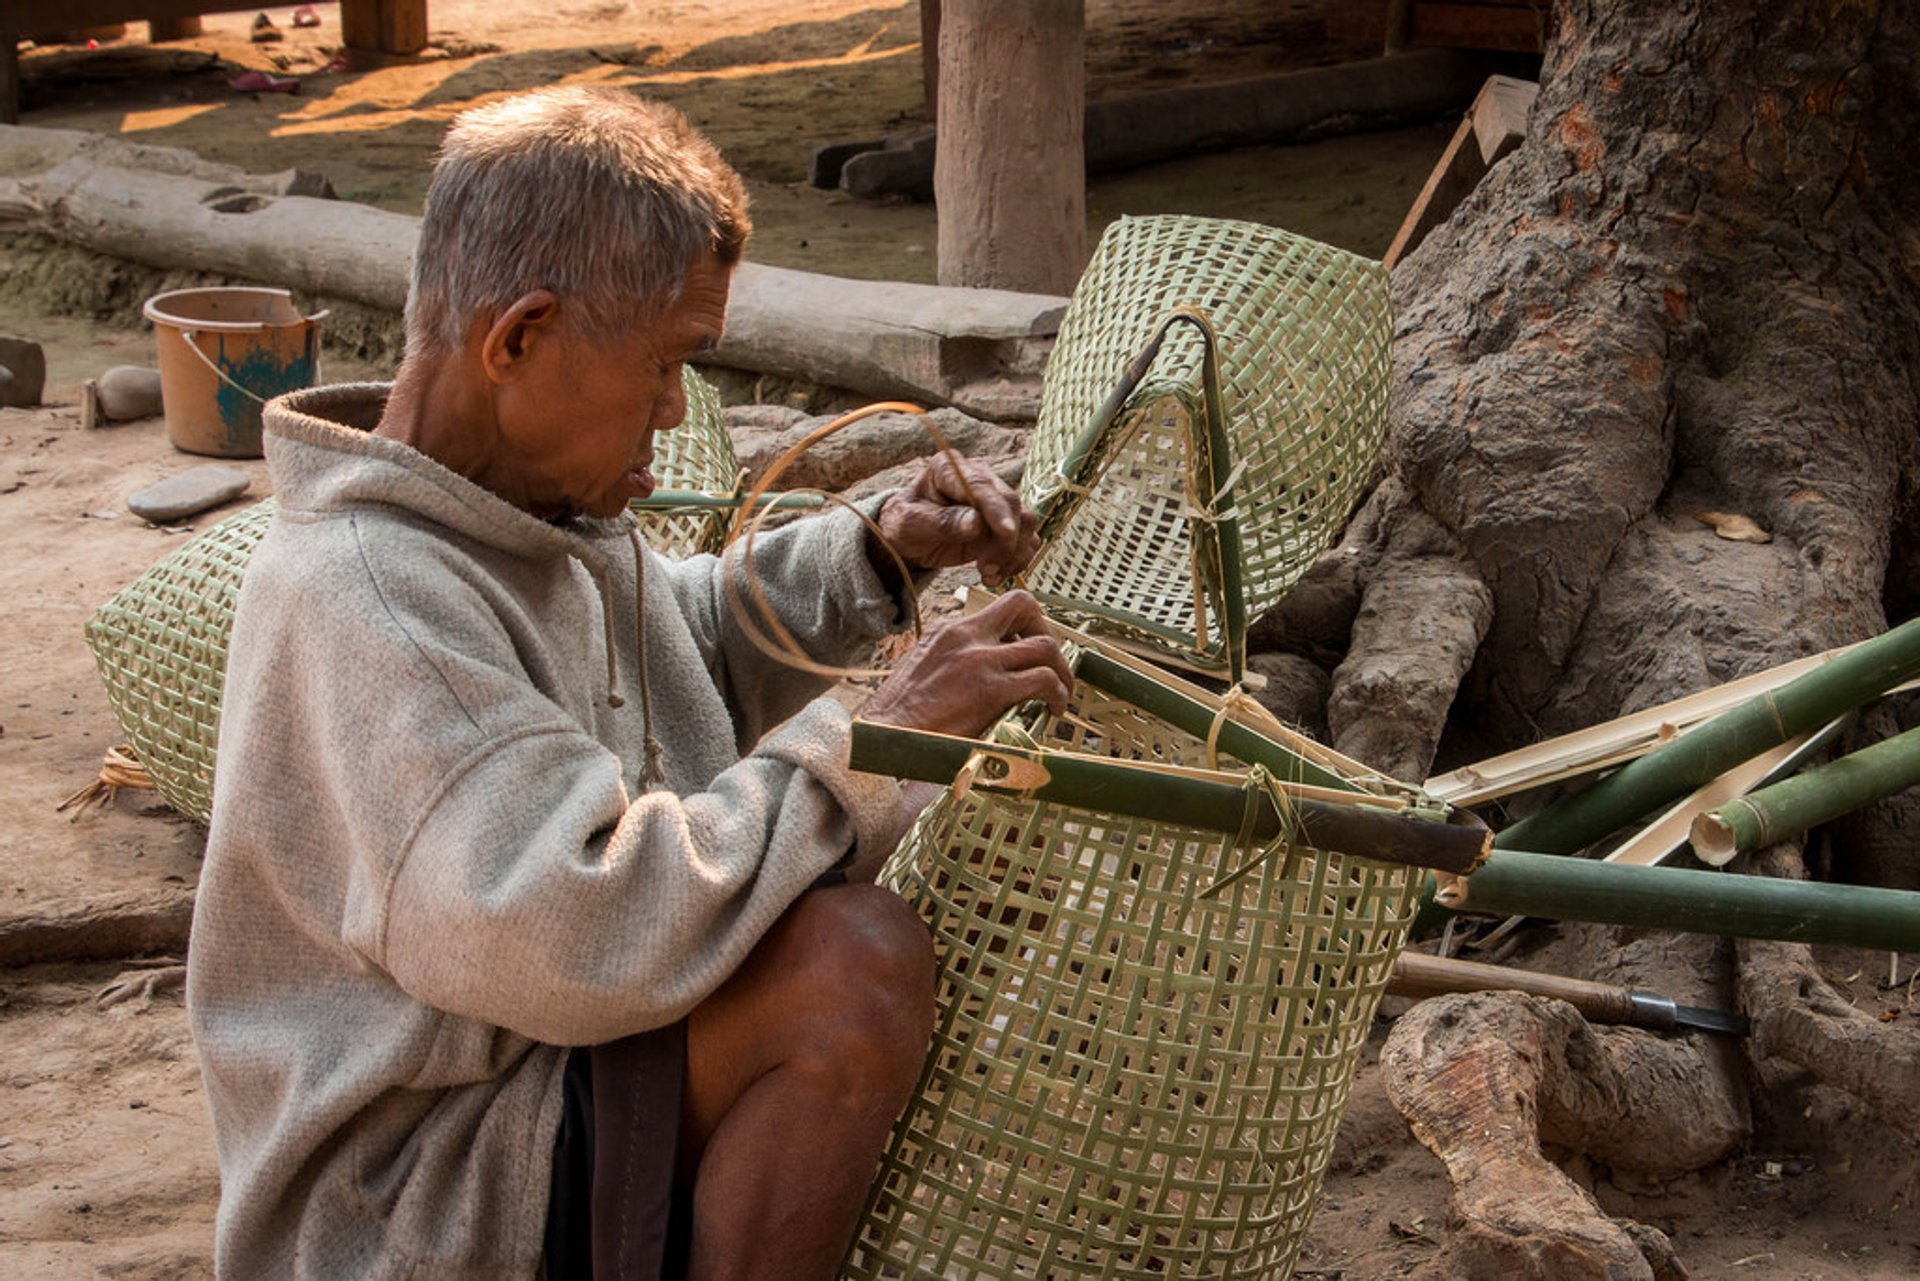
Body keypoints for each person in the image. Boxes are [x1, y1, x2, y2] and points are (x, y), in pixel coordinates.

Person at [186, 86, 1073, 1279]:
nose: (676, 410)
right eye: (663, 366)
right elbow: (575, 927)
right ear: (519, 340)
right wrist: (880, 732)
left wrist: (873, 553)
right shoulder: (373, 594)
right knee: (846, 965)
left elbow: (677, 651)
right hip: (421, 1191)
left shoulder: (524, 507)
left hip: (535, 1078)